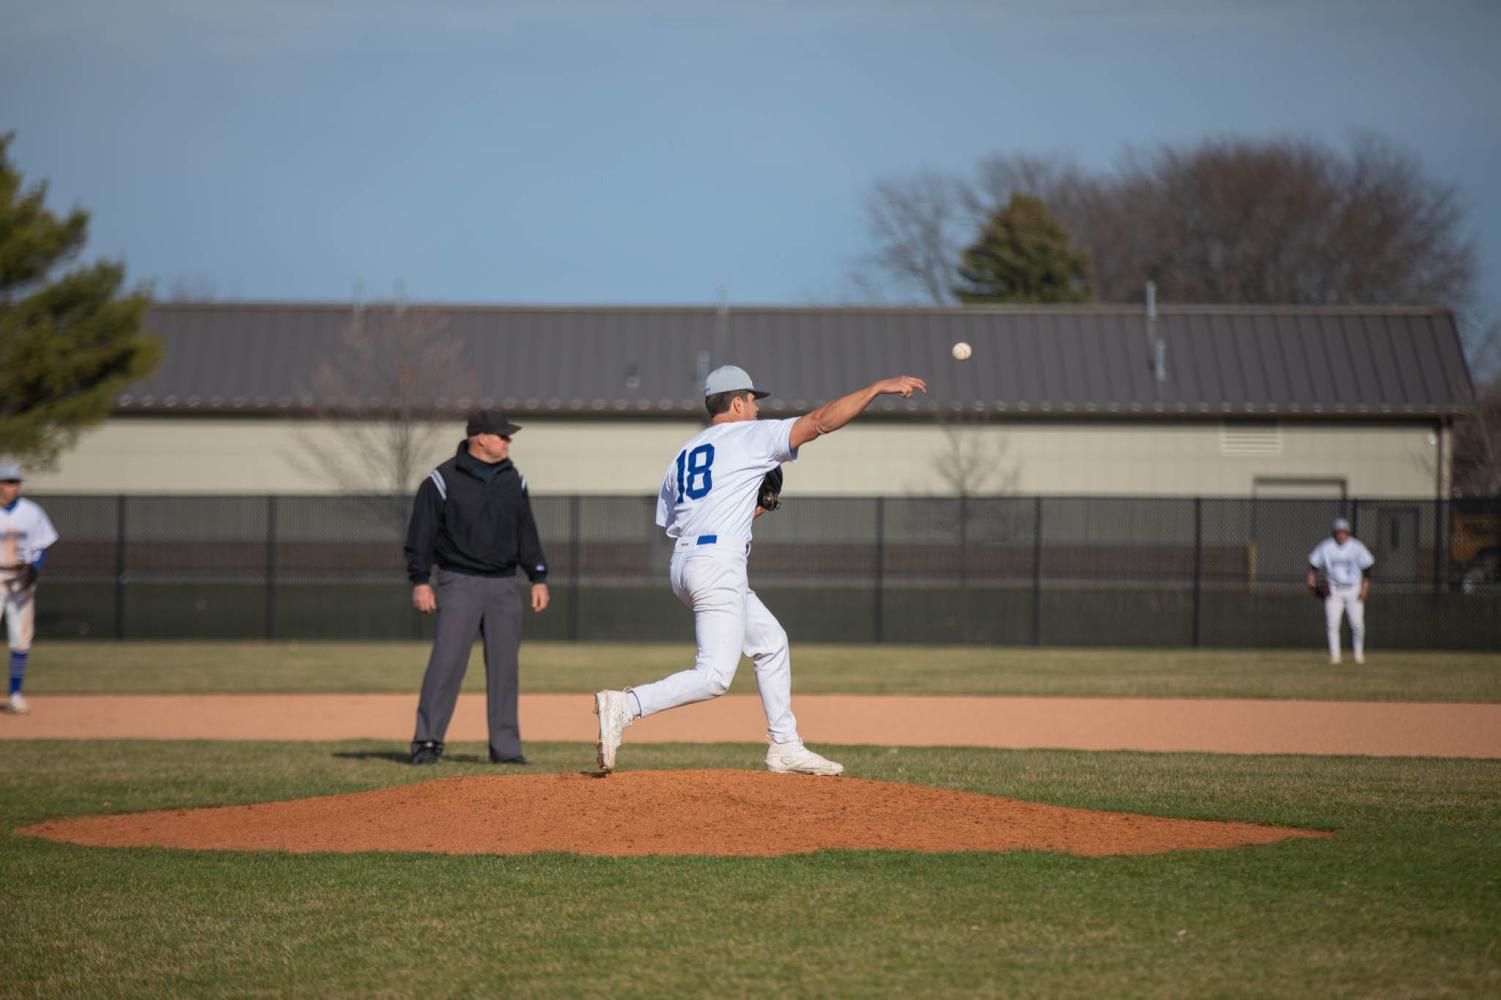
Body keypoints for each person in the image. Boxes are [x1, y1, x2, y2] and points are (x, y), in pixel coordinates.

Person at [593, 365, 927, 775]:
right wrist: (875, 388)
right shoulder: (750, 435)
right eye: (753, 401)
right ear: (736, 402)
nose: (756, 409)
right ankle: (626, 704)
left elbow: (684, 521)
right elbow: (820, 422)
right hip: (717, 565)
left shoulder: (685, 453)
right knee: (714, 676)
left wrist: (758, 506)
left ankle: (785, 744)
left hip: (685, 562)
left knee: (770, 642)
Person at [404, 411, 550, 765]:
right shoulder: (442, 479)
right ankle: (427, 741)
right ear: (480, 438)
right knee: (446, 663)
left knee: (505, 670)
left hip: (504, 585)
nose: (507, 441)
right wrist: (420, 580)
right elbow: (420, 534)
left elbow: (526, 532)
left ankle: (506, 748)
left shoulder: (514, 479)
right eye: (502, 436)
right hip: (459, 582)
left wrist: (538, 576)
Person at [1, 463, 58, 715]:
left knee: (21, 639)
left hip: (21, 577)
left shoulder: (32, 512)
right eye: (6, 481)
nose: (11, 486)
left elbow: (42, 544)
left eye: (14, 481)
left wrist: (35, 568)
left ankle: (15, 694)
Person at [1306, 517, 1374, 665]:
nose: (1341, 535)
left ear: (1348, 533)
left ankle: (1358, 654)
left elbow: (1368, 569)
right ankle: (1335, 656)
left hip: (1353, 589)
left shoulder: (1356, 547)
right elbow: (1313, 566)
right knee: (1332, 623)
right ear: (1334, 533)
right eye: (1338, 532)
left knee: (1357, 624)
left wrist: (1364, 588)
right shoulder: (1326, 547)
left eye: (1344, 532)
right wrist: (1311, 582)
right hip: (1334, 590)